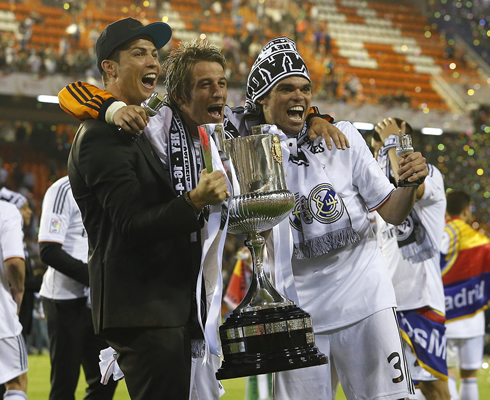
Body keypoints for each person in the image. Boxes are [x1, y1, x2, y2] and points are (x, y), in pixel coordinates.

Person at [243, 36, 427, 400]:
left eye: (305, 89)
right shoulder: (248, 154)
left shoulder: (343, 138)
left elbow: (391, 210)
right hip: (298, 316)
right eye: (286, 89)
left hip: (366, 301)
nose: (299, 96)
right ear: (262, 98)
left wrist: (407, 184)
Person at [67, 18, 229, 400]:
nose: (152, 63)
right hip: (143, 309)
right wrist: (195, 201)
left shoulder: (133, 127)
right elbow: (132, 225)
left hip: (164, 307)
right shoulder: (101, 136)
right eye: (138, 54)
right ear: (110, 67)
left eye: (154, 54)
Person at [373, 118, 449, 399]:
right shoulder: (377, 194)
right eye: (377, 147)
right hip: (385, 303)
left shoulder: (430, 175)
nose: (379, 154)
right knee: (391, 389)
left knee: (433, 387)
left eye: (385, 145)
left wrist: (393, 141)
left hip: (421, 300)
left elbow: (411, 186)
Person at [38, 176, 118, 400]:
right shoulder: (62, 189)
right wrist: (96, 277)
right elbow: (48, 250)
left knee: (106, 378)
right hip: (64, 300)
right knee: (64, 383)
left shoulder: (111, 186)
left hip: (99, 301)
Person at [441, 190, 490, 400]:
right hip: (472, 318)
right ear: (466, 210)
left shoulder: (436, 237)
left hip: (443, 317)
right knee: (469, 377)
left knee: (448, 374)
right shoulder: (480, 241)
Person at [0, 199, 27, 400]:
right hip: (1, 317)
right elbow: (14, 263)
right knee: (15, 382)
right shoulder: (6, 210)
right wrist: (18, 291)